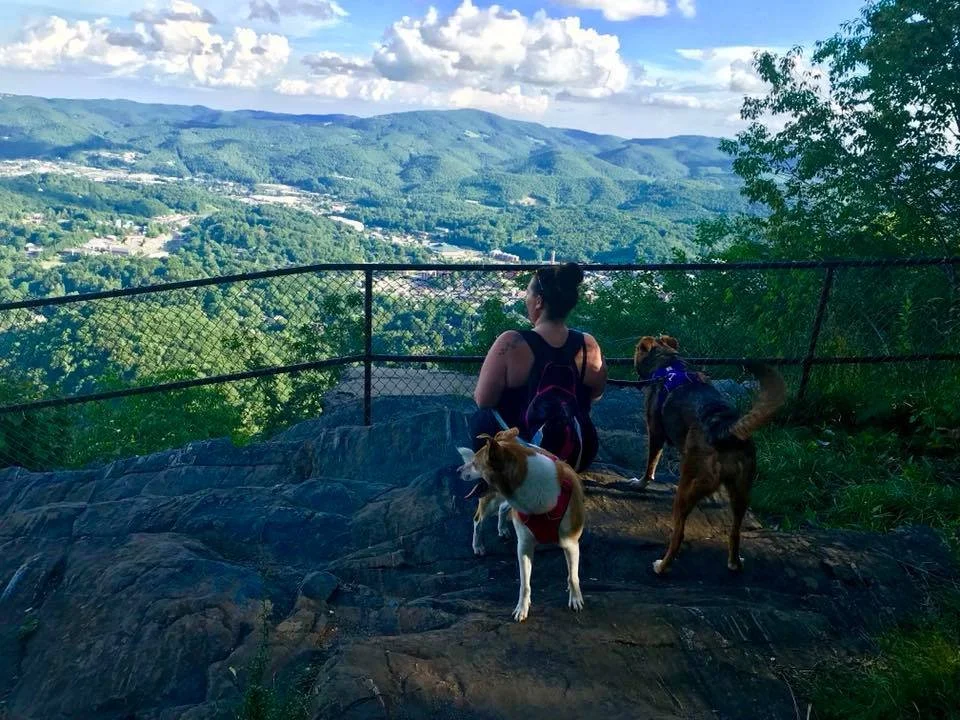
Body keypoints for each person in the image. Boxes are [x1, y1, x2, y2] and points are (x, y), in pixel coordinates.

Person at [470, 262, 607, 472]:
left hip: (525, 457)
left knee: (480, 419)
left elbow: (483, 400)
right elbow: (596, 394)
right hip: (576, 455)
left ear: (539, 302)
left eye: (528, 294)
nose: (526, 299)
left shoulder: (511, 342)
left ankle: (488, 486)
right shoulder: (589, 345)